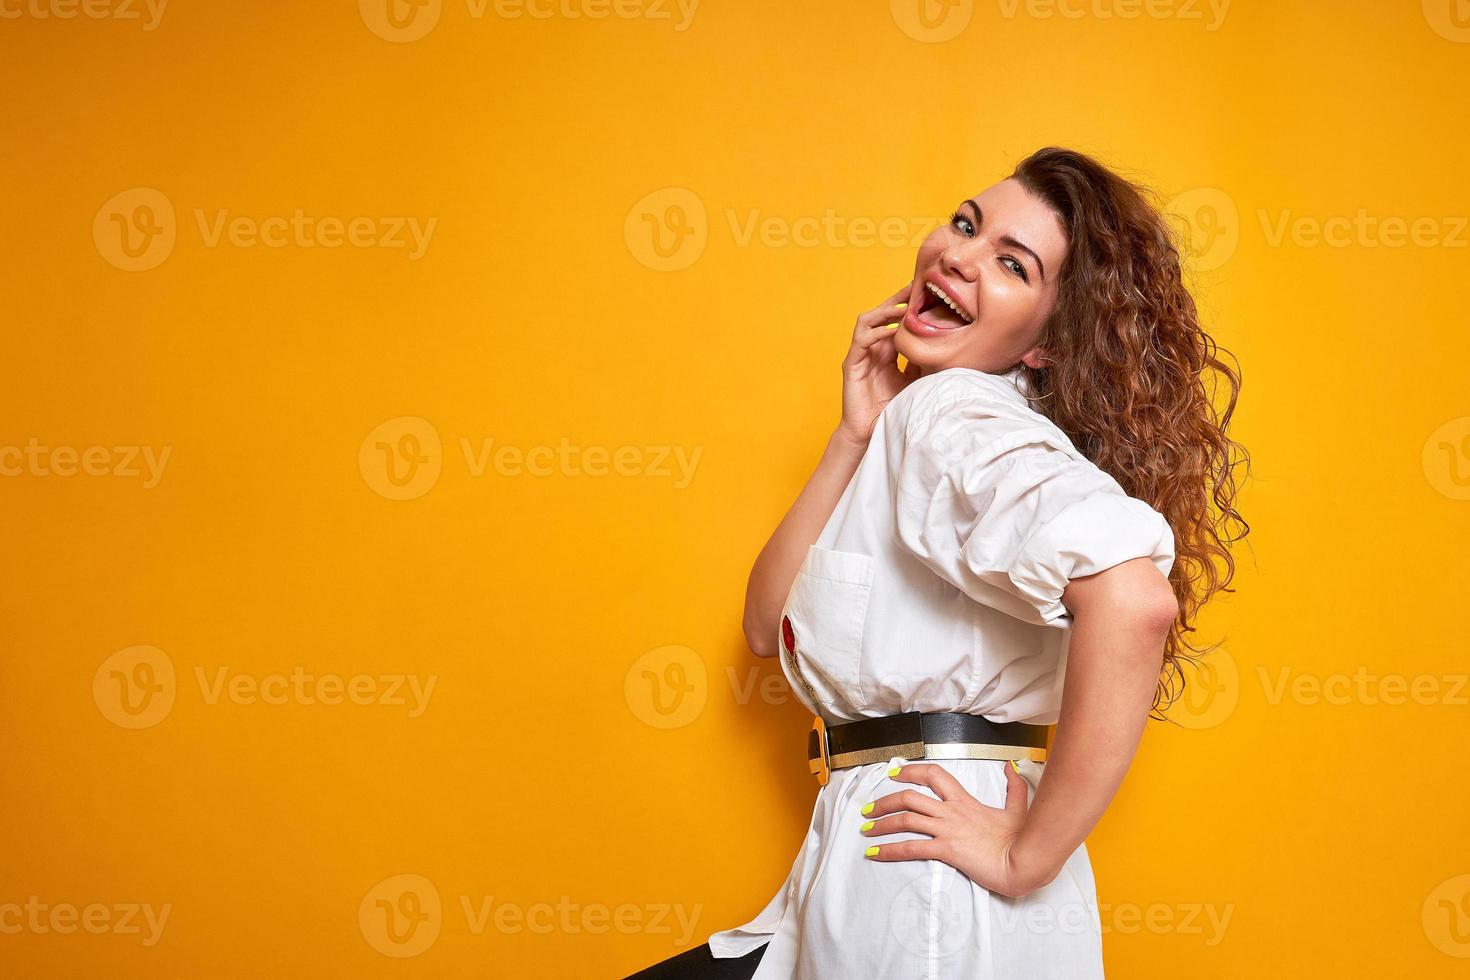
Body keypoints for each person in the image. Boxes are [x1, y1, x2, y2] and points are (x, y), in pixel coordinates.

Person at [624, 146, 1248, 979]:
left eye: (1011, 264)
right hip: (892, 856)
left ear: (1046, 346)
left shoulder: (951, 414)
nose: (958, 254)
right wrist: (853, 432)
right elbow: (766, 627)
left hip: (925, 877)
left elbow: (1134, 602)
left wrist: (1028, 856)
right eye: (966, 223)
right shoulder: (914, 426)